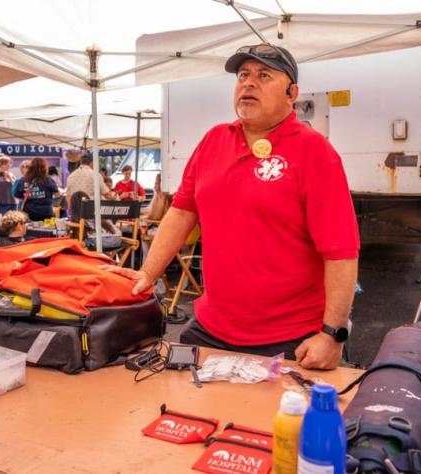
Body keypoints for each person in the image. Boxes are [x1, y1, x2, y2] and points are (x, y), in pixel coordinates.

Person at [103, 44, 359, 370]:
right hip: (210, 329)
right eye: (243, 75)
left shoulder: (314, 151)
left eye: (264, 75)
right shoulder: (213, 140)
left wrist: (332, 334)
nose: (249, 83)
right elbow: (182, 211)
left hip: (291, 337)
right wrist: (148, 273)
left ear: (292, 92)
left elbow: (341, 250)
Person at [14, 157, 60, 221]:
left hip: (29, 214)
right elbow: (57, 194)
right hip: (46, 213)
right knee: (46, 230)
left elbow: (17, 195)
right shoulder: (48, 180)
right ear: (45, 167)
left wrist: (31, 195)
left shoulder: (23, 180)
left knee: (30, 230)